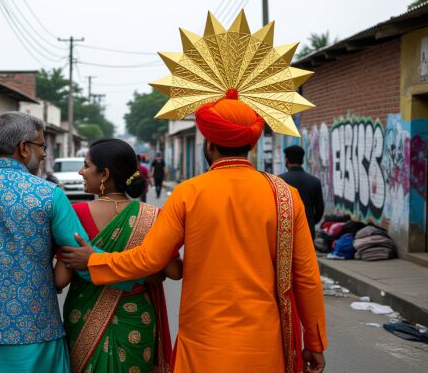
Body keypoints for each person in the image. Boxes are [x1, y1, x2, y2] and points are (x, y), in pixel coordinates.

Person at [61, 100, 327, 372]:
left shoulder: (189, 193)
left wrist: (95, 261)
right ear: (252, 145)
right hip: (264, 342)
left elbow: (149, 259)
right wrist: (314, 343)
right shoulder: (284, 196)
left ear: (208, 144)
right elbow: (306, 277)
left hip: (203, 340)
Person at [0, 112, 104, 373]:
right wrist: (139, 272)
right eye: (41, 146)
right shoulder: (49, 195)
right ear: (24, 148)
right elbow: (84, 259)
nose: (44, 154)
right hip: (37, 334)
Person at [55, 138, 182, 373]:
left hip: (83, 316)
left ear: (104, 174)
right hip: (136, 318)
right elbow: (174, 271)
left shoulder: (76, 214)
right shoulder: (153, 216)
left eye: (86, 165)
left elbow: (61, 279)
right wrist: (146, 274)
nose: (81, 172)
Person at [279, 145, 324, 241]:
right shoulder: (314, 181)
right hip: (308, 230)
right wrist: (310, 222)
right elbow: (320, 210)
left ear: (286, 159)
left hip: (285, 231)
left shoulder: (279, 181)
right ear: (302, 160)